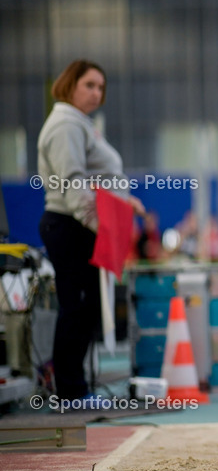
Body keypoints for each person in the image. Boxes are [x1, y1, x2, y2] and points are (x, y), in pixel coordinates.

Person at [37, 59, 144, 401]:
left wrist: (126, 203)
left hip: (79, 225)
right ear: (69, 84)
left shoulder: (80, 124)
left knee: (88, 308)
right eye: (89, 85)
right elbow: (72, 184)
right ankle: (71, 390)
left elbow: (99, 178)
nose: (97, 93)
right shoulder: (66, 125)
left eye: (101, 87)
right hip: (71, 225)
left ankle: (74, 385)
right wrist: (102, 227)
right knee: (77, 307)